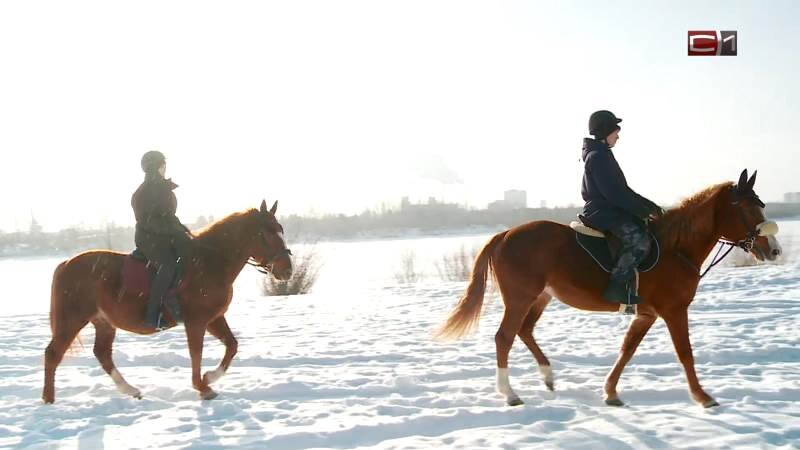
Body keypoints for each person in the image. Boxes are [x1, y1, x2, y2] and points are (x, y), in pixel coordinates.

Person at [580, 110, 664, 306]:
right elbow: (614, 194)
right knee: (639, 240)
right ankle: (616, 285)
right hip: (602, 212)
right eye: (615, 131)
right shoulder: (598, 156)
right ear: (605, 131)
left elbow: (623, 190)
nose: (618, 135)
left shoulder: (602, 154)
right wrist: (642, 211)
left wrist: (650, 206)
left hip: (608, 209)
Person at [131, 151, 191, 330]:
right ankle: (153, 314)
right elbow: (148, 221)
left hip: (166, 236)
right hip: (149, 239)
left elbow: (169, 217)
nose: (165, 168)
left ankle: (181, 300)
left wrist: (183, 231)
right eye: (163, 165)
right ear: (155, 167)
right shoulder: (142, 193)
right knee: (167, 266)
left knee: (191, 254)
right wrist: (173, 230)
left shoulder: (163, 188)